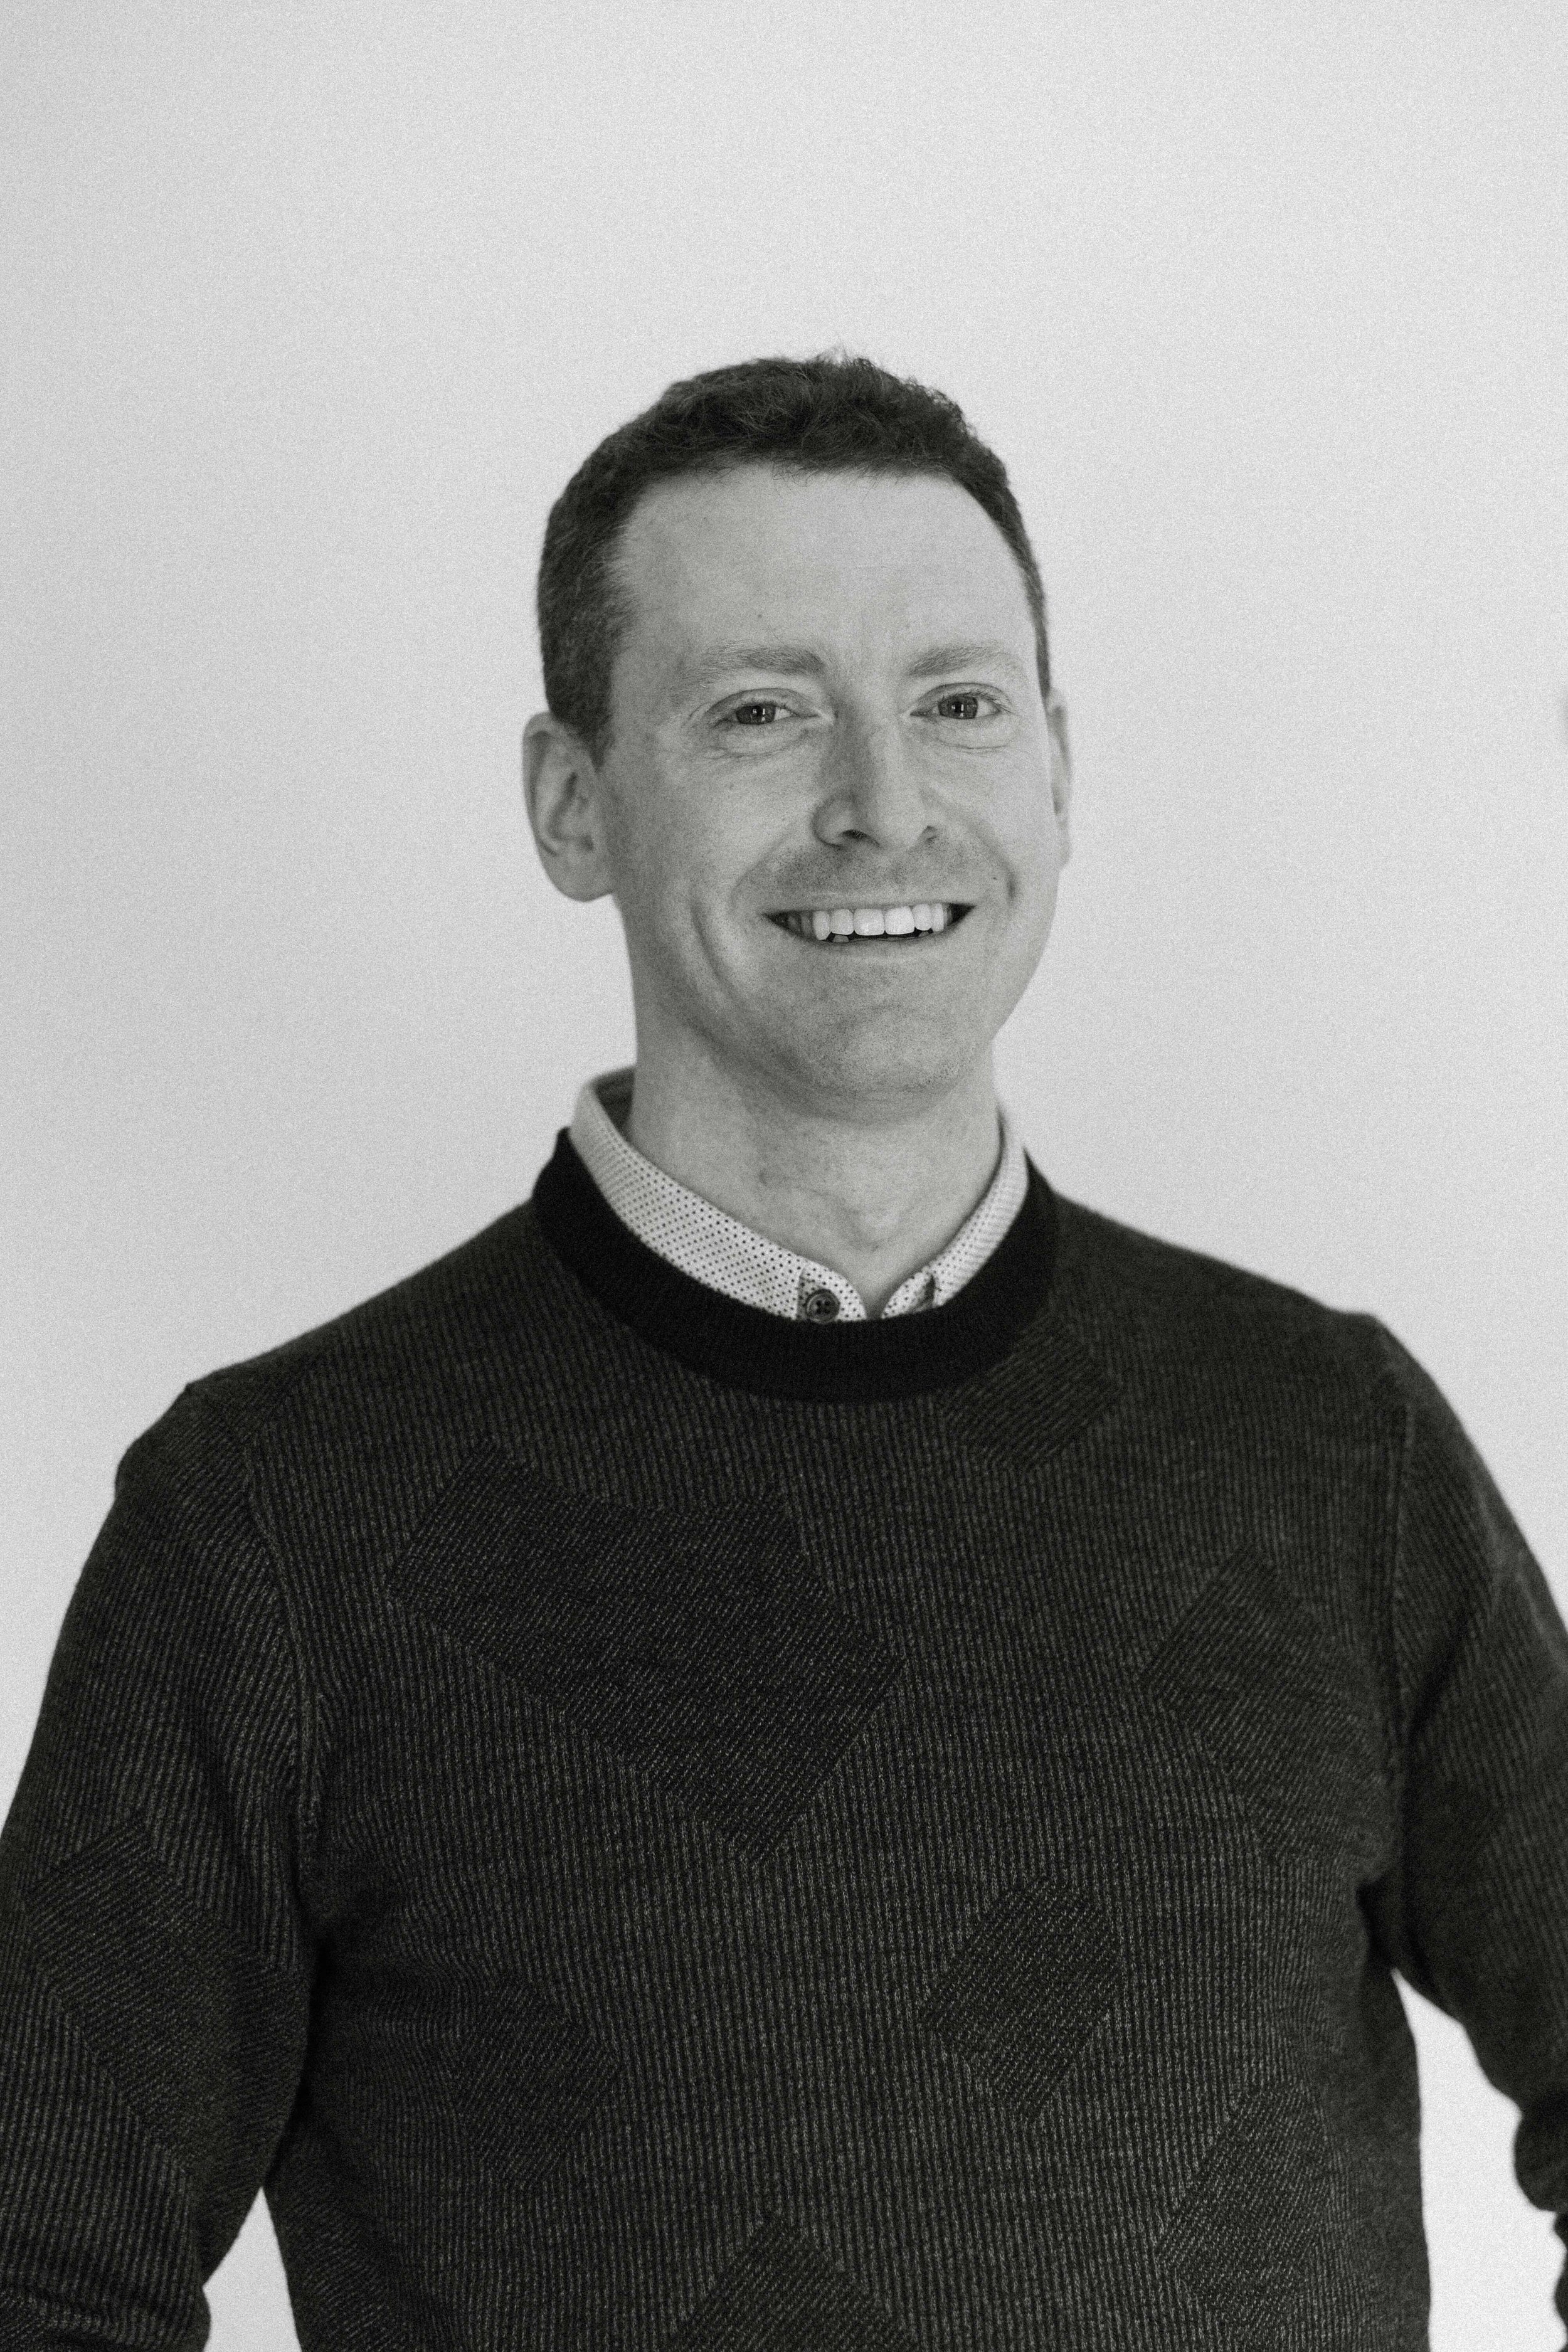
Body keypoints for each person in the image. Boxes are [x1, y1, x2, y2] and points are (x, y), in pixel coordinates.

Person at [1, 351, 1564, 2351]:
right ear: (574, 806)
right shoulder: (277, 1524)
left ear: (1058, 776)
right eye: (761, 714)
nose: (883, 804)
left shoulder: (1330, 1444)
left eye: (958, 706)